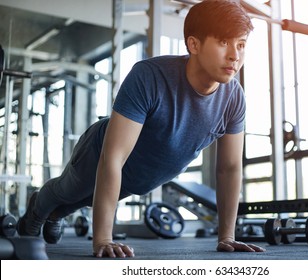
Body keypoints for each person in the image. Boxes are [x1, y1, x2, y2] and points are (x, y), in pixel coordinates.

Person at [16, 0, 266, 258]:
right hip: (100, 153)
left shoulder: (234, 98)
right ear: (194, 44)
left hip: (141, 176)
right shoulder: (149, 76)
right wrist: (103, 239)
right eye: (224, 42)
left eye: (241, 44)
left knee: (86, 200)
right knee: (68, 190)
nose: (235, 55)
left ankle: (56, 214)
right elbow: (114, 157)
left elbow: (229, 168)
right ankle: (37, 209)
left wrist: (227, 236)